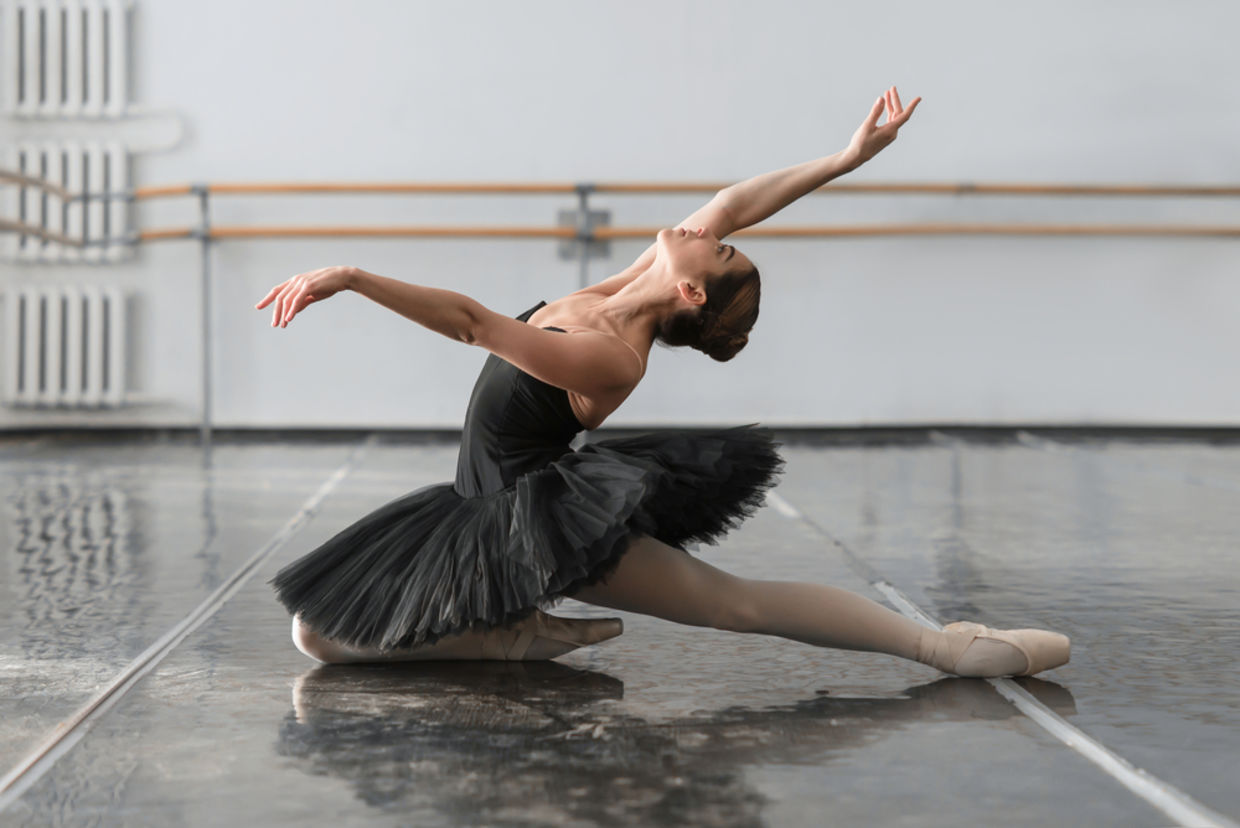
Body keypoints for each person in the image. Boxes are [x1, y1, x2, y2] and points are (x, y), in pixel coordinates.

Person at [254, 87, 1070, 679]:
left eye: (717, 249)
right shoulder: (619, 290)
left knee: (733, 604)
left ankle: (945, 646)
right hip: (477, 505)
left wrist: (354, 278)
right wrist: (845, 159)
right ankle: (512, 634)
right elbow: (734, 201)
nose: (706, 228)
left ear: (690, 293)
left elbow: (473, 324)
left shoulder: (614, 356)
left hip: (544, 521)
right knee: (318, 634)